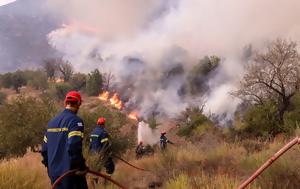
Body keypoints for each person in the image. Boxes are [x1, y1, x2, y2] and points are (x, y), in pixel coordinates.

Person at [41, 91, 88, 189]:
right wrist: (80, 166)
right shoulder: (75, 121)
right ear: (79, 103)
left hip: (54, 175)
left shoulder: (51, 122)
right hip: (70, 174)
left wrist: (51, 167)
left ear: (65, 103)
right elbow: (73, 147)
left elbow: (44, 149)